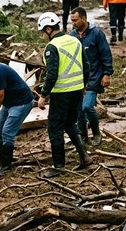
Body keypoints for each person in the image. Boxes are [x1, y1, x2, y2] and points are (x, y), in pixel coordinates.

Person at [36, 13, 90, 178]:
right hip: (77, 91)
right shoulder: (75, 40)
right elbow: (86, 66)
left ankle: (59, 166)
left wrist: (43, 95)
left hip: (61, 94)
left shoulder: (52, 47)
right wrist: (83, 86)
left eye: (43, 32)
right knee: (70, 124)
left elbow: (52, 74)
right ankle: (84, 156)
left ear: (48, 29)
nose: (43, 36)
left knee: (55, 129)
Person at [69, 7, 113, 146]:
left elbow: (106, 54)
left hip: (94, 77)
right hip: (78, 78)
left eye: (75, 20)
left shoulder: (96, 34)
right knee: (79, 110)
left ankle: (96, 133)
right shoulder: (72, 36)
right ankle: (83, 136)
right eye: (72, 21)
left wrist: (107, 74)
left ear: (84, 18)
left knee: (87, 106)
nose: (73, 23)